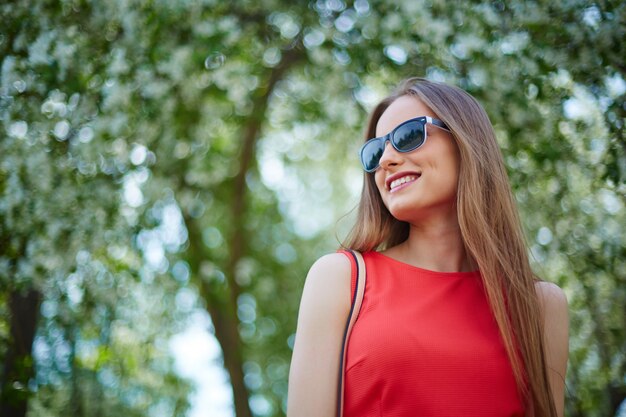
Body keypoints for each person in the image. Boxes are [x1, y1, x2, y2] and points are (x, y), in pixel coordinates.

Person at [287, 77, 569, 417]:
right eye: (376, 151)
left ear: (465, 141)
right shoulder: (340, 279)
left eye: (408, 136)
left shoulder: (539, 306)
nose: (386, 160)